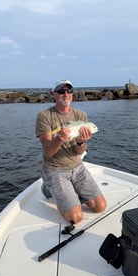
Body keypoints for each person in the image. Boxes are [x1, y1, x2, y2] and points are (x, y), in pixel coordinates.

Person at [35, 79, 107, 224]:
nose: (66, 94)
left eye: (69, 91)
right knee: (76, 218)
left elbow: (79, 151)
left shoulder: (81, 115)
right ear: (53, 94)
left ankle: (70, 193)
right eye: (61, 91)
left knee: (100, 207)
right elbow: (49, 151)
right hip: (55, 170)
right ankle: (53, 191)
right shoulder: (44, 116)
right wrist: (60, 139)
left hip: (77, 167)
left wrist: (81, 141)